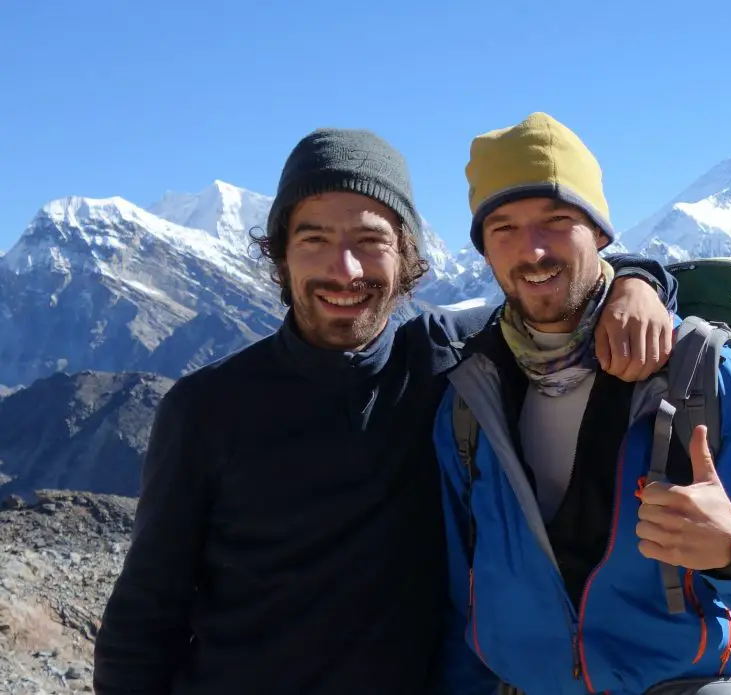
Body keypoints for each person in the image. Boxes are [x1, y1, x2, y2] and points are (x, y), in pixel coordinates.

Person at [91, 125, 680, 695]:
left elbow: (556, 292)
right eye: (314, 239)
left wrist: (636, 282)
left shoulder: (449, 365)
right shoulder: (206, 411)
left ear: (406, 256)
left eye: (369, 241)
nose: (343, 270)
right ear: (281, 257)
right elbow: (145, 617)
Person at [433, 113, 731, 695]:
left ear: (600, 232)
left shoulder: (699, 374)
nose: (533, 249)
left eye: (558, 221)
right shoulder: (470, 398)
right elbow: (462, 603)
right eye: (504, 228)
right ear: (484, 249)